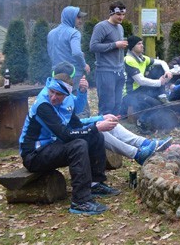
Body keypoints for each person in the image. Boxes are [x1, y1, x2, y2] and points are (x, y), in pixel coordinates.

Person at [18, 69, 120, 215]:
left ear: (66, 95)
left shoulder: (66, 103)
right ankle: (80, 201)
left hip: (51, 147)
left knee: (95, 137)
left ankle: (94, 184)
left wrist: (99, 120)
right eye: (51, 92)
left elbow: (77, 126)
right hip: (34, 155)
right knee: (78, 145)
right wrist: (95, 127)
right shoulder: (43, 105)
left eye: (58, 94)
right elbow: (65, 135)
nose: (53, 97)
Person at [52, 62, 170, 166]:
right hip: (57, 141)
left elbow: (76, 110)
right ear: (67, 79)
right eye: (76, 77)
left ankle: (145, 143)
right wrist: (96, 126)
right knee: (100, 131)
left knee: (110, 124)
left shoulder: (62, 92)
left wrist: (83, 93)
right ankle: (138, 154)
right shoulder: (54, 97)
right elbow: (66, 130)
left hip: (69, 130)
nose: (80, 78)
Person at [89, 1, 129, 116]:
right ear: (111, 13)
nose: (121, 17)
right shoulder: (101, 27)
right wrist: (115, 45)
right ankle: (104, 132)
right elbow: (93, 46)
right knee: (107, 105)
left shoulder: (120, 27)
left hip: (119, 71)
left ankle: (114, 130)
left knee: (117, 104)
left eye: (123, 14)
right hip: (105, 71)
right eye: (118, 14)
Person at [47, 6, 90, 90]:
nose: (80, 21)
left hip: (56, 73)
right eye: (78, 17)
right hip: (73, 73)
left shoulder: (51, 33)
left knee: (60, 98)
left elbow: (50, 52)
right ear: (70, 17)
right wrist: (84, 64)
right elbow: (76, 53)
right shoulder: (74, 33)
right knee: (76, 100)